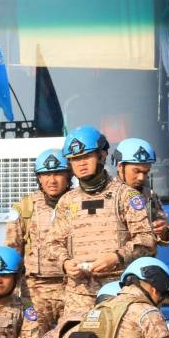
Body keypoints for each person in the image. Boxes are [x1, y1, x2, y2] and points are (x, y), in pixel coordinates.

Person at [44, 126, 156, 317]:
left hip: (119, 289)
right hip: (79, 295)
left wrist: (116, 258)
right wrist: (65, 263)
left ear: (102, 156)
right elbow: (52, 244)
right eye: (75, 159)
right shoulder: (67, 201)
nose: (81, 164)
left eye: (86, 157)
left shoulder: (126, 196)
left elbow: (146, 240)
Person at [4, 148, 70, 337]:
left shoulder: (79, 203)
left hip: (73, 288)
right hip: (35, 291)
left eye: (58, 173)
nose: (52, 180)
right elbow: (12, 250)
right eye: (46, 174)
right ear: (39, 178)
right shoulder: (25, 207)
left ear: (68, 175)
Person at [112, 137, 169, 244]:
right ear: (120, 166)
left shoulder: (149, 195)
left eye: (146, 172)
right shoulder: (106, 195)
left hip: (144, 259)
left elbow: (166, 231)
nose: (141, 177)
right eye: (136, 171)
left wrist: (163, 231)